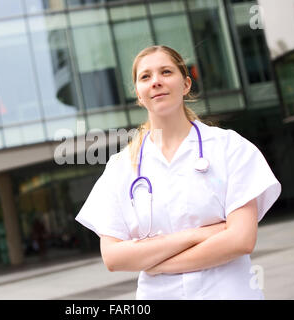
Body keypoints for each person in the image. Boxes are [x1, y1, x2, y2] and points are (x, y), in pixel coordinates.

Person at [75, 45, 281, 300]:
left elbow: (241, 240)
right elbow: (114, 257)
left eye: (166, 72)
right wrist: (199, 234)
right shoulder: (121, 167)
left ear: (185, 85)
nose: (156, 82)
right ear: (139, 95)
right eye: (145, 77)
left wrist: (157, 263)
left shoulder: (229, 147)